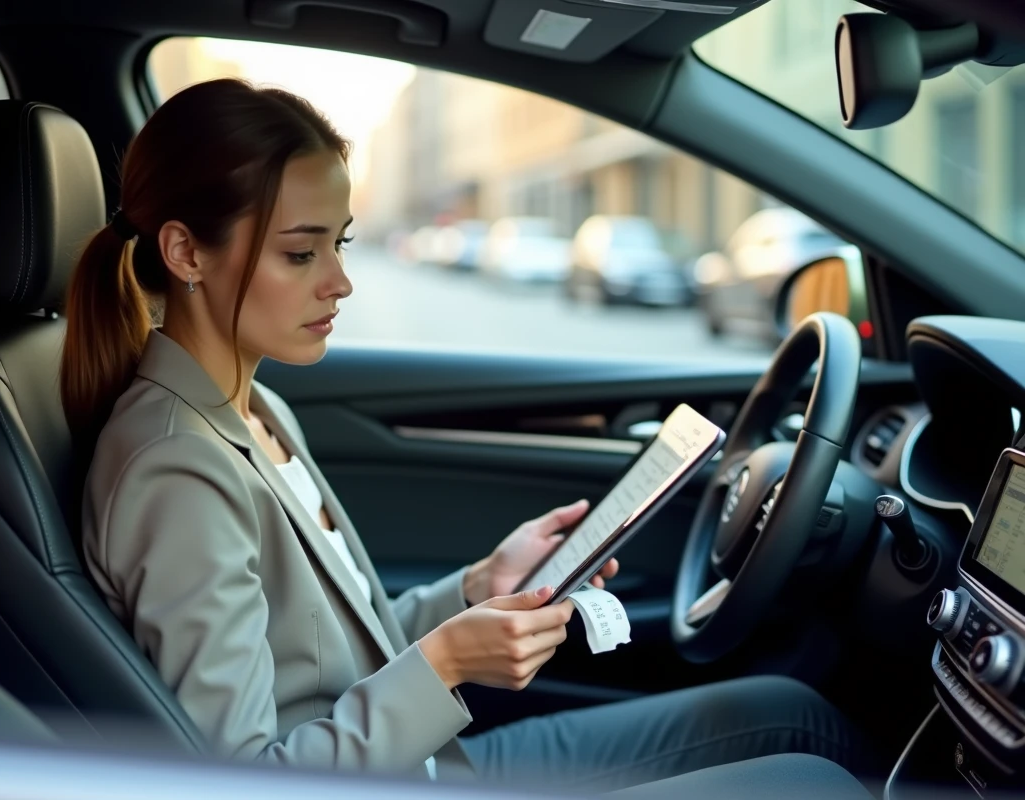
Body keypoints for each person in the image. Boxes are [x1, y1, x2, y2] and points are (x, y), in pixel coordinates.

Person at [60, 78, 870, 794]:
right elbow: (241, 781)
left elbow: (333, 648)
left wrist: (477, 588)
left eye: (338, 244)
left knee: (790, 714)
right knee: (809, 778)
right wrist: (448, 664)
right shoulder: (174, 467)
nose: (340, 281)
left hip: (436, 763)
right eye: (301, 252)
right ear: (184, 251)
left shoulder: (255, 408)